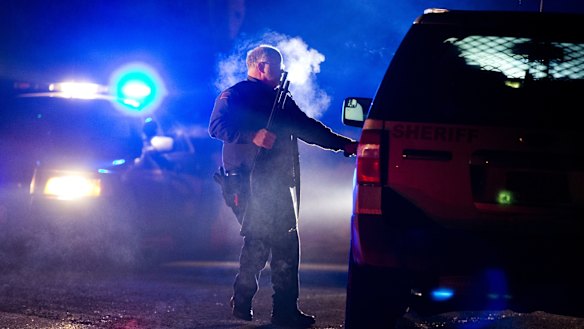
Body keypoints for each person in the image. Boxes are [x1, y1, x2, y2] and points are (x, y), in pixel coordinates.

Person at [208, 44, 357, 327]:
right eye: (276, 67)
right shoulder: (235, 95)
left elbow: (306, 127)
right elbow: (216, 126)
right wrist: (252, 135)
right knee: (259, 241)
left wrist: (344, 145)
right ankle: (244, 299)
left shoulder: (281, 99)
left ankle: (284, 309)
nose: (280, 72)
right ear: (261, 66)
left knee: (286, 242)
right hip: (246, 182)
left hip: (276, 183)